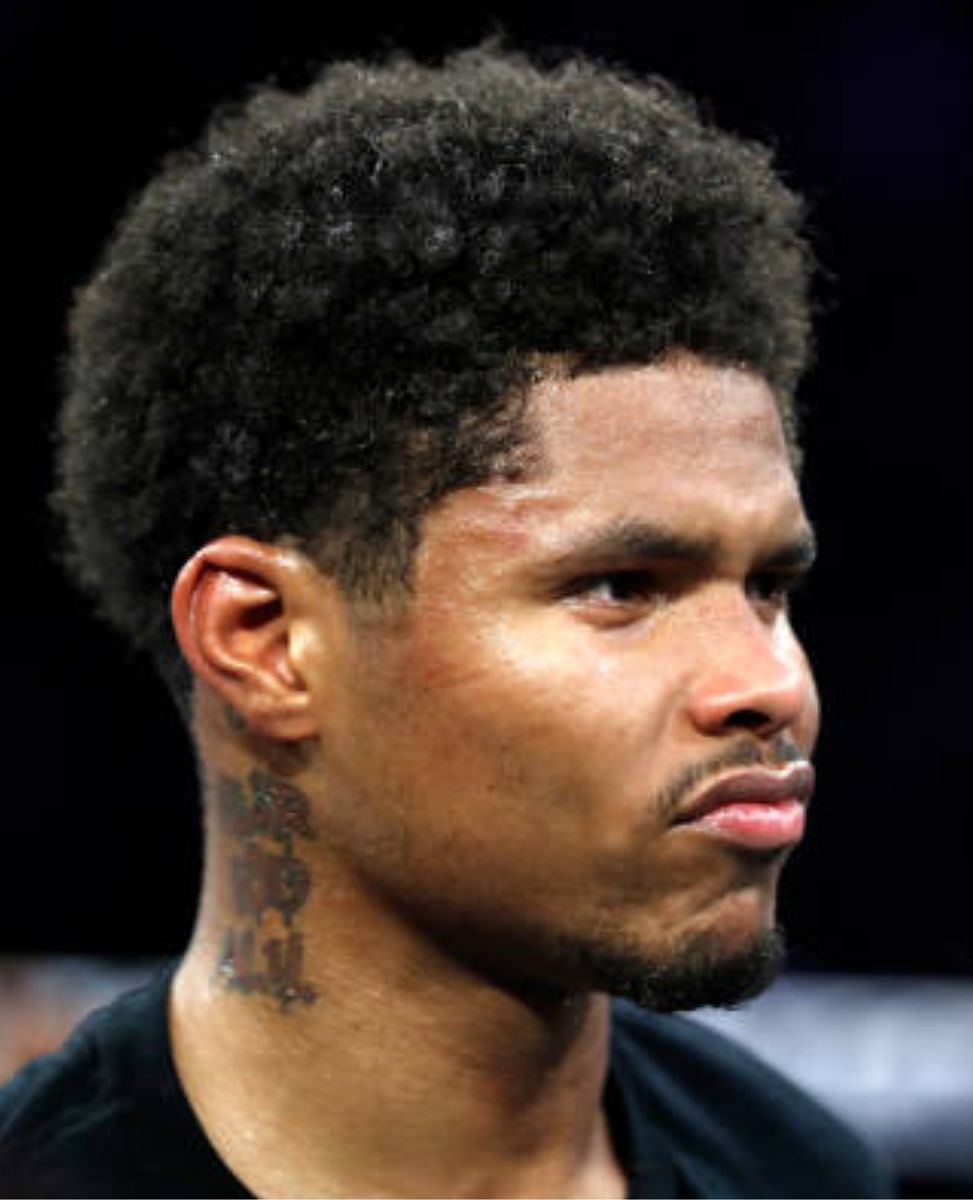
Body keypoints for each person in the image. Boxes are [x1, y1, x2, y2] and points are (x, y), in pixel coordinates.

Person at [0, 43, 889, 1198]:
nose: (769, 683)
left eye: (769, 587)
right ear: (265, 641)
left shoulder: (802, 1172)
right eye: (620, 585)